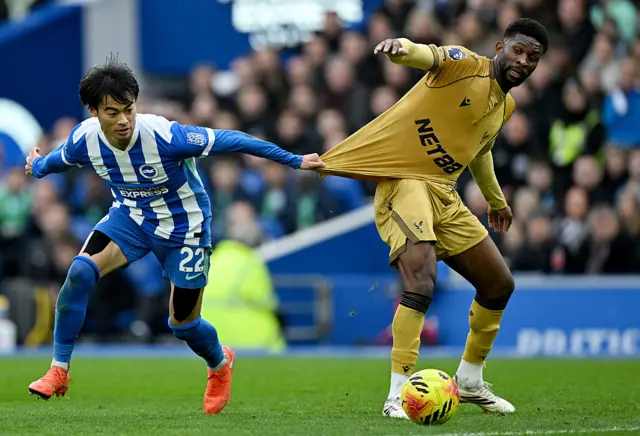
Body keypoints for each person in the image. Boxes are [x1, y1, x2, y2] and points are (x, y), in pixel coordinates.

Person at [24, 57, 324, 414]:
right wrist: (38, 166)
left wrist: (293, 160)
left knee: (183, 325)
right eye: (112, 112)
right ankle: (59, 369)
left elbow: (233, 140)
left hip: (186, 228)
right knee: (79, 272)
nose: (123, 120)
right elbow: (60, 159)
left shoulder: (165, 135)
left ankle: (219, 363)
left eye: (129, 109)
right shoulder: (84, 139)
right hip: (131, 219)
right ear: (93, 112)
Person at [317, 18, 548, 418]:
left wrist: (496, 200)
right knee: (421, 279)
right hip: (406, 182)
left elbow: (479, 151)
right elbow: (428, 54)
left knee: (498, 285)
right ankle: (397, 394)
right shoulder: (464, 64)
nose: (523, 61)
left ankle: (471, 379)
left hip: (444, 191)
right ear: (499, 47)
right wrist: (400, 48)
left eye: (533, 57)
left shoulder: (505, 105)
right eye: (518, 50)